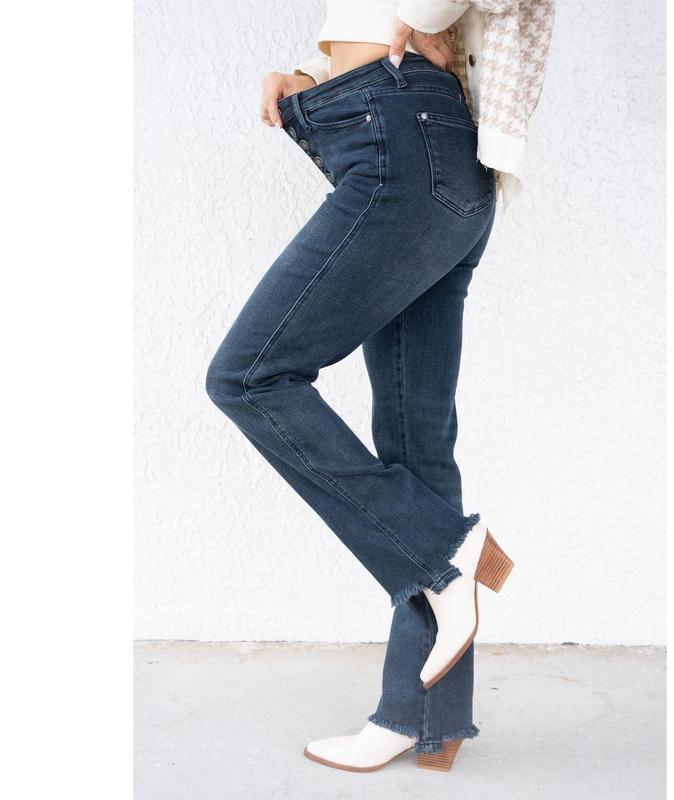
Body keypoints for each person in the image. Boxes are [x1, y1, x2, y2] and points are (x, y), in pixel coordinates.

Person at [206, 0, 556, 773]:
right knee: (418, 451)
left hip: (404, 138)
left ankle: (447, 552)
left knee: (248, 376)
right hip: (432, 151)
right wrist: (314, 75)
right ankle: (420, 715)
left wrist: (419, 17)